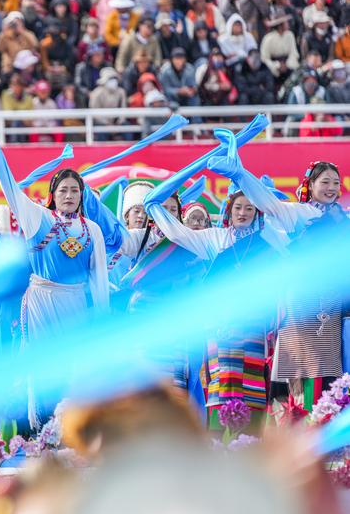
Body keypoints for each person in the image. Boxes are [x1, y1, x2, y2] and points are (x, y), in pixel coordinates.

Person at [0, 142, 108, 428]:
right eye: (63, 190)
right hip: (40, 300)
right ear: (53, 195)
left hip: (74, 303)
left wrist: (102, 320)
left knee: (72, 365)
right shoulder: (39, 217)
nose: (69, 196)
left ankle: (69, 429)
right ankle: (41, 430)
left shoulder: (93, 230)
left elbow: (99, 280)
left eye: (75, 191)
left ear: (82, 195)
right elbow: (12, 191)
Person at [145, 134, 291, 433]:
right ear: (228, 210)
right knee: (220, 385)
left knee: (252, 386)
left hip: (253, 325)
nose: (243, 213)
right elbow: (178, 233)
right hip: (220, 325)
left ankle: (250, 443)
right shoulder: (214, 238)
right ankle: (214, 443)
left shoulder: (268, 239)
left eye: (249, 208)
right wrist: (154, 207)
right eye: (238, 208)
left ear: (257, 212)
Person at [207, 156, 348, 415]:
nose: (331, 188)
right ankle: (302, 431)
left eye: (336, 183)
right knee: (303, 380)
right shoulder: (298, 213)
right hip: (302, 309)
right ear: (310, 185)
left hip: (332, 309)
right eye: (325, 182)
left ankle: (323, 434)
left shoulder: (343, 219)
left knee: (329, 381)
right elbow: (265, 202)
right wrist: (240, 175)